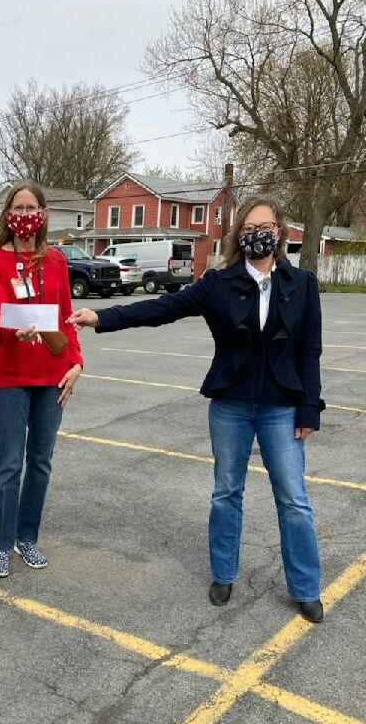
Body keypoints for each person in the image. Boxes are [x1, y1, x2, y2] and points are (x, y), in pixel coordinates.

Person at [69, 195, 325, 623]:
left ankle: (305, 586)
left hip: (283, 406)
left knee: (294, 499)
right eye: (248, 229)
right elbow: (162, 308)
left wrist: (309, 409)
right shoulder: (218, 283)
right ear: (239, 235)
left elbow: (310, 350)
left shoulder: (303, 285)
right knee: (227, 493)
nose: (257, 234)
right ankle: (223, 575)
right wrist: (104, 317)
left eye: (264, 226)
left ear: (278, 232)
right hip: (231, 404)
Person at [0, 180, 83, 578]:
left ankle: (27, 537)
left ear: (43, 214)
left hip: (50, 375)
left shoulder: (55, 260)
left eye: (31, 208)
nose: (24, 215)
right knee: (9, 463)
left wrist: (76, 362)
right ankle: (0, 544)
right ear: (8, 215)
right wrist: (15, 329)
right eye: (17, 209)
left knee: (40, 461)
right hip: (7, 374)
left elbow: (66, 316)